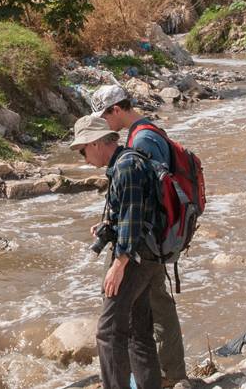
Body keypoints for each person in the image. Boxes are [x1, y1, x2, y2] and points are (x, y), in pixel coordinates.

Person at [91, 84, 187, 386]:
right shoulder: (146, 132)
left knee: (140, 317)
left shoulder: (141, 140)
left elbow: (140, 204)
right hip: (151, 241)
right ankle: (159, 376)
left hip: (142, 246)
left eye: (103, 117)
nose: (103, 126)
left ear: (116, 110)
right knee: (141, 321)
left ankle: (169, 374)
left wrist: (120, 259)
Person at [71, 115, 163, 389]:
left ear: (97, 143)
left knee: (109, 333)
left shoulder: (126, 168)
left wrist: (118, 265)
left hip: (134, 258)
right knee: (138, 331)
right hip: (148, 255)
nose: (83, 157)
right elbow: (132, 212)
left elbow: (133, 219)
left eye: (83, 150)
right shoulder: (128, 161)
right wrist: (107, 226)